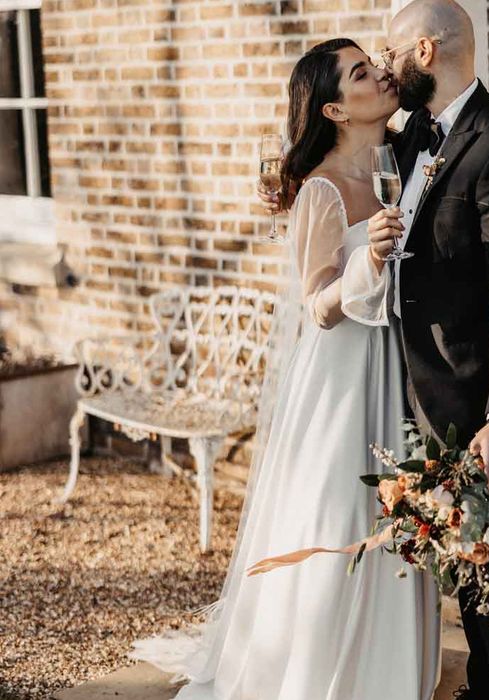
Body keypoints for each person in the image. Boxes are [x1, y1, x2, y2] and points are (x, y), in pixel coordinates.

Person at [129, 38, 441, 700]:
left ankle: (389, 667)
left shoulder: (402, 157)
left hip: (397, 369)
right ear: (333, 108)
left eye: (374, 63)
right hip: (342, 381)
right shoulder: (322, 192)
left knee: (396, 515)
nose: (380, 75)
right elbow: (319, 306)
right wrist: (369, 263)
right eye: (362, 72)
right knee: (338, 517)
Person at [261, 2, 489, 698]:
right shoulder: (412, 133)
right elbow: (335, 217)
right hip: (396, 390)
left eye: (386, 54)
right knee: (450, 562)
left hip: (464, 394)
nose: (383, 69)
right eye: (367, 67)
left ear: (422, 51)